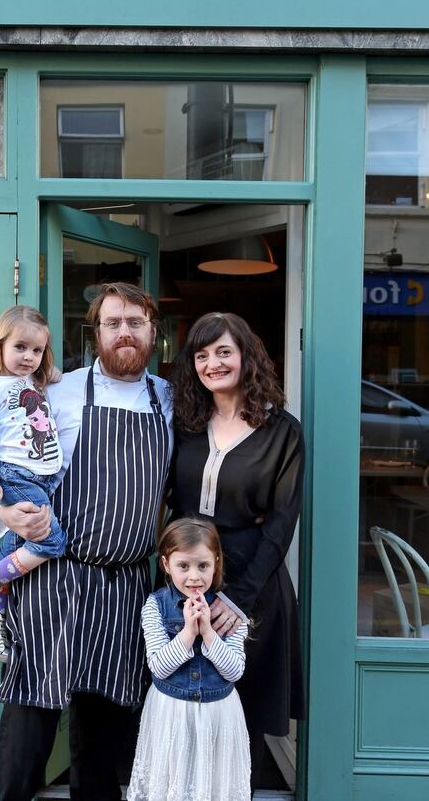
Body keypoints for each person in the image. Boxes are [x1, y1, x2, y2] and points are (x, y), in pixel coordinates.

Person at [0, 282, 173, 801]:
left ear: (153, 332)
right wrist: (4, 510)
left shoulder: (170, 399)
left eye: (135, 322)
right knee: (32, 710)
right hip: (56, 575)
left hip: (128, 583)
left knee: (105, 724)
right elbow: (5, 459)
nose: (124, 332)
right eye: (112, 323)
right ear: (95, 334)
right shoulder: (57, 391)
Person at [166, 312, 305, 792]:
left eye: (223, 351)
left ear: (246, 355)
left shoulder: (282, 431)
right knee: (181, 704)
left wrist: (238, 599)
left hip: (251, 586)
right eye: (202, 355)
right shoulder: (185, 424)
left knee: (240, 717)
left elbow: (282, 523)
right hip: (184, 581)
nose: (212, 364)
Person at [0, 306, 64, 663]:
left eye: (37, 351)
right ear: (0, 344)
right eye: (20, 347)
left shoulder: (32, 382)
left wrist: (45, 371)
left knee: (17, 540)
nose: (29, 357)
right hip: (15, 475)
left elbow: (50, 376)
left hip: (43, 478)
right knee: (51, 539)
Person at [127, 517, 250, 801]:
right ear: (167, 564)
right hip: (172, 712)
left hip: (218, 714)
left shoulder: (229, 611)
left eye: (203, 566)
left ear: (216, 562)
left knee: (211, 785)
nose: (194, 576)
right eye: (184, 566)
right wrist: (187, 633)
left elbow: (234, 670)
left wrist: (207, 631)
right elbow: (158, 666)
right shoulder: (155, 606)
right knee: (172, 782)